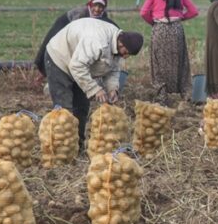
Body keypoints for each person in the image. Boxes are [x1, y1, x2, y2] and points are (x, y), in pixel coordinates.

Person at [43, 18, 144, 151]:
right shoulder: (98, 42)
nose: (125, 57)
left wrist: (112, 89)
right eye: (125, 53)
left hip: (81, 65)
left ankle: (77, 147)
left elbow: (113, 69)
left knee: (82, 107)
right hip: (60, 58)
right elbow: (77, 66)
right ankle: (61, 150)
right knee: (64, 109)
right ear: (120, 43)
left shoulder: (118, 49)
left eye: (128, 55)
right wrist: (95, 89)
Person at [140, 0, 199, 103]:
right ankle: (186, 95)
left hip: (159, 30)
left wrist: (153, 23)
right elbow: (193, 11)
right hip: (176, 30)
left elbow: (143, 12)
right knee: (181, 61)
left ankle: (162, 96)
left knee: (158, 63)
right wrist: (180, 18)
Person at [34, 0, 118, 76]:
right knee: (53, 46)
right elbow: (74, 31)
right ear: (90, 4)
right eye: (95, 5)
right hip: (66, 24)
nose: (97, 9)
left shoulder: (103, 16)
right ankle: (44, 71)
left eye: (100, 7)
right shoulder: (81, 13)